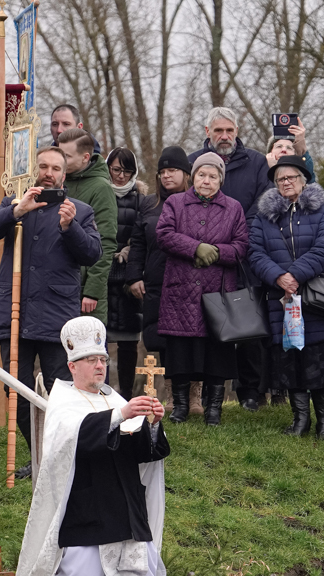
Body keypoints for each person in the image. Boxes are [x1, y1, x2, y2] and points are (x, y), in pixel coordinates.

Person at [14, 316, 169, 576]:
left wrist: (153, 425)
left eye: (103, 359)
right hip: (87, 518)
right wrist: (120, 416)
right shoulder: (63, 401)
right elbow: (71, 442)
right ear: (72, 366)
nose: (100, 366)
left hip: (127, 517)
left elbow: (143, 455)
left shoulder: (116, 400)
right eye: (91, 360)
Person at [0, 146, 102, 474]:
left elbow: (92, 254)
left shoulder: (79, 210)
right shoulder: (17, 203)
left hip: (56, 319)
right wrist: (16, 211)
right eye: (43, 166)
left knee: (60, 396)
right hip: (15, 315)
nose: (49, 173)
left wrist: (70, 227)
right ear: (35, 169)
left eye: (55, 168)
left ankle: (61, 458)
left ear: (65, 174)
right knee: (16, 395)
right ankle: (40, 457)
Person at [249, 154, 324, 439]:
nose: (286, 182)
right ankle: (300, 419)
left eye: (291, 177)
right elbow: (254, 251)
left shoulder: (321, 210)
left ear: (303, 180)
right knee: (290, 361)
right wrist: (278, 277)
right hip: (281, 302)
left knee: (317, 359)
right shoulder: (263, 217)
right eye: (280, 179)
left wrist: (295, 275)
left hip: (314, 298)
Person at [155, 152, 249, 426]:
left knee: (217, 351)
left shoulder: (234, 208)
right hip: (181, 288)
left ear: (221, 179)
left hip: (217, 290)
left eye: (212, 176)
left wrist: (217, 252)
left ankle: (213, 410)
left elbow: (242, 246)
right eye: (201, 175)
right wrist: (195, 248)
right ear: (193, 177)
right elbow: (164, 235)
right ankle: (181, 407)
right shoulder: (175, 202)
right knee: (180, 349)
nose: (206, 181)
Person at [190, 107, 273, 411]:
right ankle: (208, 394)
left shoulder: (257, 163)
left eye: (229, 130)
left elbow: (262, 205)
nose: (224, 136)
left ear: (237, 131)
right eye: (218, 130)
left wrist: (233, 237)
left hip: (245, 256)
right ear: (207, 130)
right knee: (209, 325)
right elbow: (188, 207)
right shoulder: (193, 163)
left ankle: (251, 391)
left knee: (248, 325)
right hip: (203, 260)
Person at [125, 146, 192, 405]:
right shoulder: (149, 204)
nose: (166, 176)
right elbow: (138, 243)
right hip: (156, 280)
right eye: (162, 172)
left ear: (186, 173)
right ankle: (175, 397)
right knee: (163, 340)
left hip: (189, 283)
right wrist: (133, 277)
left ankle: (195, 396)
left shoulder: (197, 202)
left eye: (172, 170)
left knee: (191, 340)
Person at [58, 129, 116, 327]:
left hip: (84, 292)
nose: (60, 160)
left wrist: (92, 291)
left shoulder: (101, 188)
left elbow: (106, 243)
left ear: (85, 157)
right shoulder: (57, 182)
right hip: (57, 286)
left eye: (66, 156)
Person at [105, 147, 151, 399]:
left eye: (127, 171)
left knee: (128, 341)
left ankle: (125, 394)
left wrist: (130, 252)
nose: (121, 176)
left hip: (128, 275)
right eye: (116, 170)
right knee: (99, 339)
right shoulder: (99, 194)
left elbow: (144, 235)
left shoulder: (142, 200)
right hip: (102, 273)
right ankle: (99, 391)